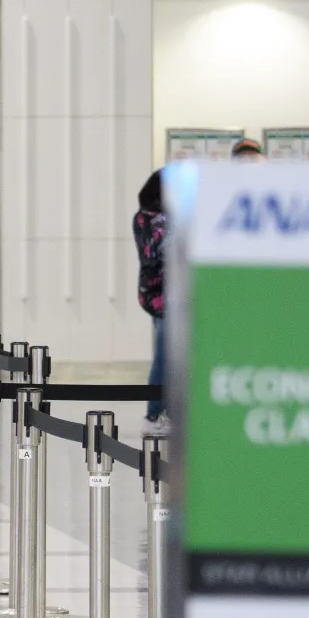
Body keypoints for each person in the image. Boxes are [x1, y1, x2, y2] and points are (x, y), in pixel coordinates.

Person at [134, 169, 169, 435]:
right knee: (164, 354)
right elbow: (154, 255)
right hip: (162, 293)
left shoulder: (152, 217)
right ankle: (154, 413)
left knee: (171, 354)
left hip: (162, 291)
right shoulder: (153, 219)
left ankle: (165, 411)